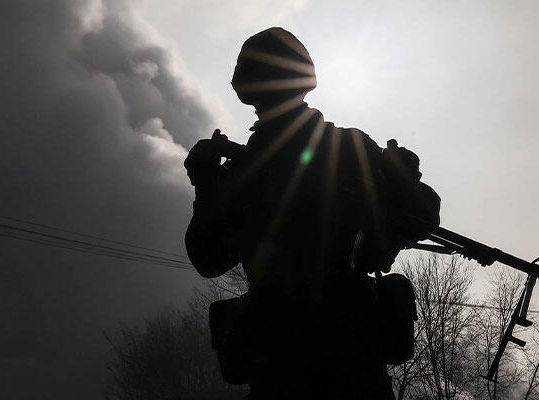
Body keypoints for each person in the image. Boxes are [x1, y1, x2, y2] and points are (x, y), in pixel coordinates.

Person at [184, 27, 440, 399]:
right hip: (321, 355)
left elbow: (207, 258)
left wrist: (206, 183)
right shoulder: (344, 148)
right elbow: (207, 258)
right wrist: (206, 184)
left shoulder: (249, 170)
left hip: (305, 356)